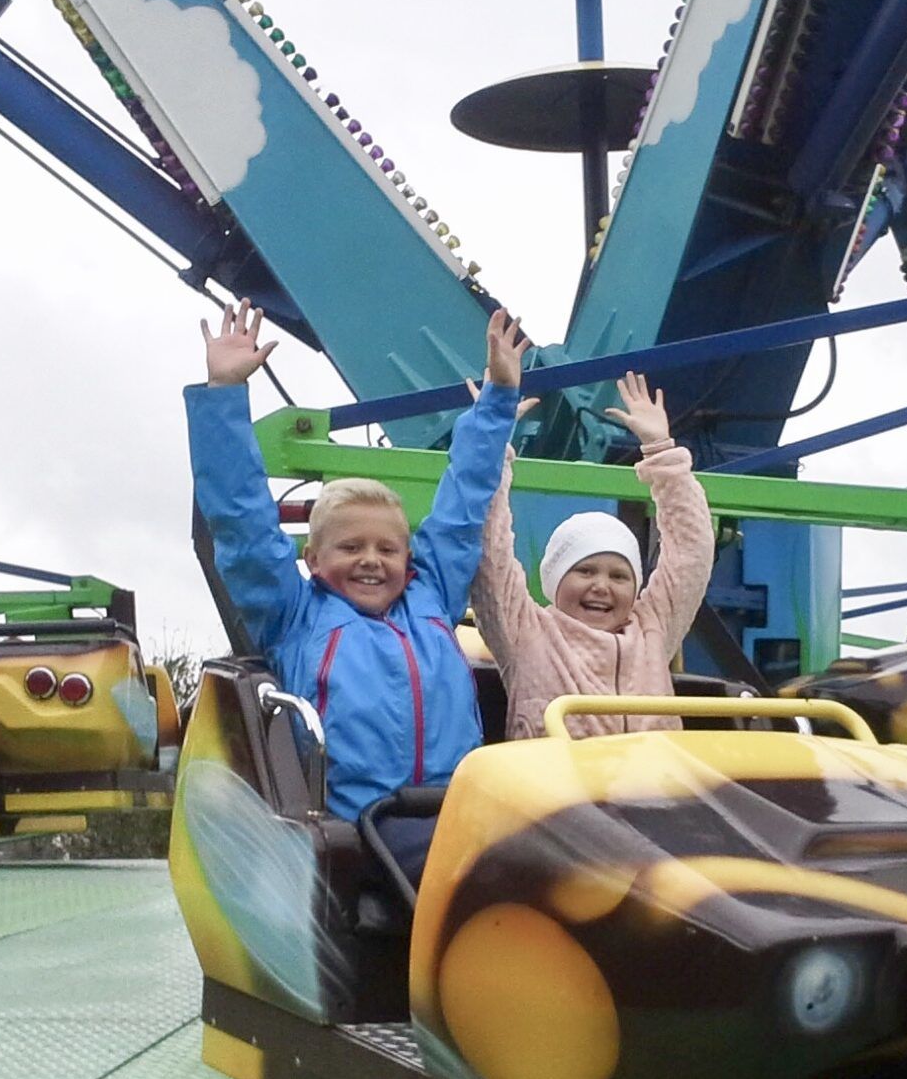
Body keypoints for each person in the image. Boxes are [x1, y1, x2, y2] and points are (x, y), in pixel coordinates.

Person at [187, 298, 528, 882]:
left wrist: (498, 398)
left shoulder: (433, 596)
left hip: (463, 808)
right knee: (489, 878)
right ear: (314, 559)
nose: (371, 561)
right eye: (351, 549)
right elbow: (242, 521)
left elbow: (463, 502)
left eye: (387, 549)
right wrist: (223, 395)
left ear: (408, 557)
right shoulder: (294, 615)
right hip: (367, 826)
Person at [471, 372, 714, 739]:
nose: (602, 586)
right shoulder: (526, 633)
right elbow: (490, 553)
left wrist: (663, 454)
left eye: (619, 576)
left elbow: (690, 553)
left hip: (653, 792)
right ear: (555, 579)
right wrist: (490, 442)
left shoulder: (652, 631)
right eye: (585, 571)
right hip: (561, 793)